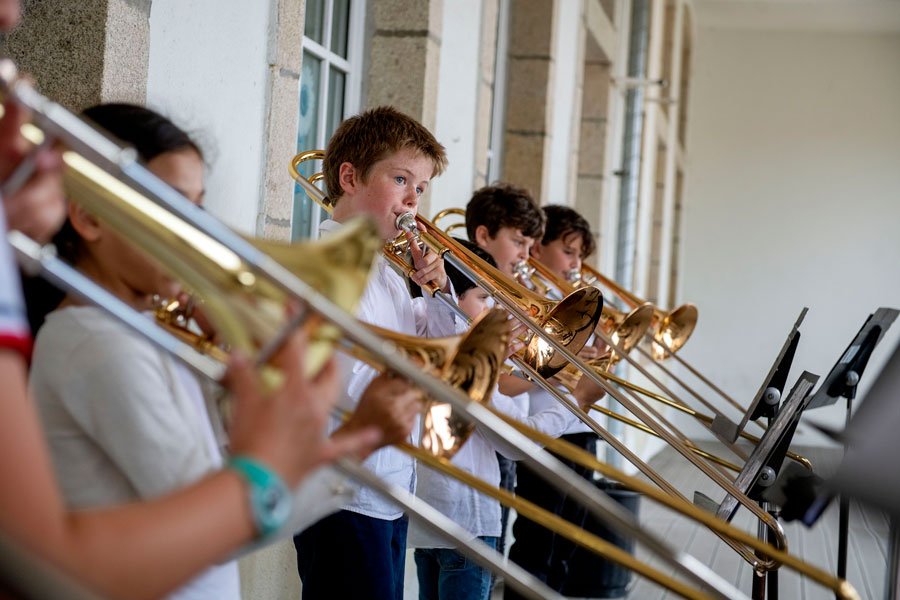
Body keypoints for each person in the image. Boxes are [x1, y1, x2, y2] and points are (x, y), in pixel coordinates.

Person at [0, 3, 386, 592]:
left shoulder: (139, 330)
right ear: (89, 218)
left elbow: (218, 479)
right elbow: (218, 516)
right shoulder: (93, 342)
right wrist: (314, 452)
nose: (202, 230)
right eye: (174, 205)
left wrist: (251, 388)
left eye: (199, 206)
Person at [292, 105, 458, 600]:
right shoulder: (325, 271)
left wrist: (440, 290)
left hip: (387, 487)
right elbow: (354, 387)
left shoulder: (388, 273)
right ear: (349, 177)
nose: (412, 201)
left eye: (421, 188)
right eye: (401, 179)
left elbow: (445, 348)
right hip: (342, 493)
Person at [410, 241, 604, 600]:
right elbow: (515, 440)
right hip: (467, 521)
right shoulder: (462, 358)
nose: (495, 308)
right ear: (454, 300)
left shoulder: (431, 337)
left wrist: (498, 359)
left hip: (430, 520)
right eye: (485, 298)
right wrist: (577, 402)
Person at [506, 204, 604, 598]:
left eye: (580, 254)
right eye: (569, 251)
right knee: (537, 545)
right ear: (538, 248)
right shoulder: (533, 298)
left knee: (566, 546)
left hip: (577, 423)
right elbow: (524, 369)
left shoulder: (568, 297)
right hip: (546, 427)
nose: (576, 263)